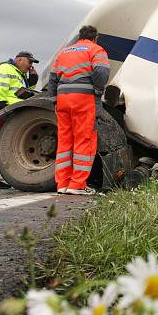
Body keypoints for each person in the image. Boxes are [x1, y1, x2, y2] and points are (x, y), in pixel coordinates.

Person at [47, 25, 110, 195]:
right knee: (84, 139)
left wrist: (54, 98)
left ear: (79, 37)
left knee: (65, 140)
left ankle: (62, 184)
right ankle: (77, 185)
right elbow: (102, 71)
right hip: (83, 98)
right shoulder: (96, 49)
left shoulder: (64, 52)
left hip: (62, 98)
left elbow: (52, 78)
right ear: (95, 37)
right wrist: (97, 89)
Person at [0, 51, 39, 189]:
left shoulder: (18, 73)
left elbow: (20, 93)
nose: (30, 66)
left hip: (6, 110)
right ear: (20, 59)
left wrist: (32, 80)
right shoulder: (4, 68)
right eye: (30, 62)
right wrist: (0, 109)